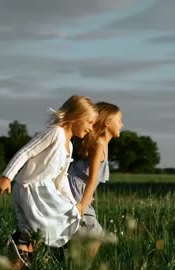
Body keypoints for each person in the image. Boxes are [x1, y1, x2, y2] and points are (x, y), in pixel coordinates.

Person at [0, 95, 98, 269]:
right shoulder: (54, 133)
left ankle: (21, 251)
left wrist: (75, 203)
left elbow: (61, 178)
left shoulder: (69, 145)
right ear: (76, 116)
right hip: (31, 187)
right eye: (89, 122)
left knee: (45, 222)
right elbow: (26, 152)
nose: (91, 129)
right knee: (59, 218)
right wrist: (7, 176)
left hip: (44, 190)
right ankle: (49, 251)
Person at [67, 101, 123, 260]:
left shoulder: (102, 145)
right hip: (76, 195)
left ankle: (73, 260)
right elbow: (92, 179)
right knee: (96, 234)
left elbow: (92, 180)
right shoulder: (98, 146)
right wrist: (83, 204)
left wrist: (89, 196)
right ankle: (81, 264)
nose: (122, 124)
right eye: (119, 121)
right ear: (107, 122)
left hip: (79, 193)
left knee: (84, 235)